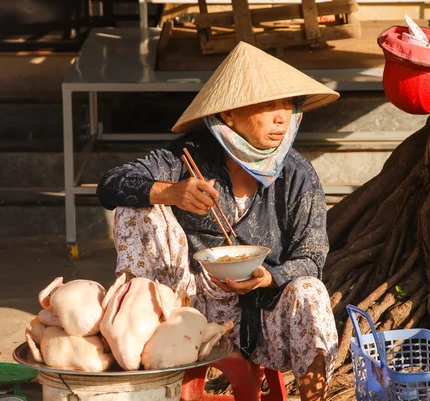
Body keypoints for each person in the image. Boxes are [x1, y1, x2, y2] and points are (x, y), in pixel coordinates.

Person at [96, 41, 339, 400]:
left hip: (264, 311)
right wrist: (171, 192)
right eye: (268, 105)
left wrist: (269, 276)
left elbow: (312, 255)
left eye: (288, 104)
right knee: (136, 208)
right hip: (185, 304)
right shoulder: (186, 156)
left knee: (312, 291)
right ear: (229, 115)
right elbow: (110, 185)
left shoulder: (298, 175)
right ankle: (141, 346)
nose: (281, 117)